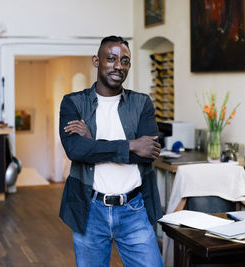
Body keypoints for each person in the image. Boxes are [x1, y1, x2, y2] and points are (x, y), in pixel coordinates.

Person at [58, 35, 164, 266]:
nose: (118, 66)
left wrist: (92, 142)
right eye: (112, 58)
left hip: (134, 209)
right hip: (90, 210)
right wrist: (132, 145)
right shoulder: (73, 103)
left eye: (125, 61)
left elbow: (150, 152)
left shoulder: (141, 103)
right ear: (97, 61)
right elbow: (75, 150)